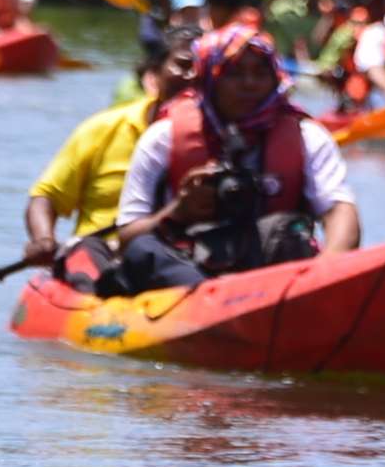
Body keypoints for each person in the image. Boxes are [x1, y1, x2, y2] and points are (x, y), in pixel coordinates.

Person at [102, 24, 360, 295]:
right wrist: (178, 211)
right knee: (144, 249)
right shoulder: (163, 137)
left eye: (260, 73)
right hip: (186, 269)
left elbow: (340, 211)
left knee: (291, 236)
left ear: (275, 79)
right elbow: (128, 236)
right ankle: (211, 297)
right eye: (234, 73)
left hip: (273, 263)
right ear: (209, 80)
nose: (249, 83)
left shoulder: (307, 137)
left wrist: (326, 272)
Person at [22, 25, 198, 274]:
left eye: (204, 68)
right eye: (183, 65)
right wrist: (43, 240)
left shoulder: (225, 138)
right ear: (154, 73)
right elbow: (46, 197)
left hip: (179, 257)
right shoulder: (103, 128)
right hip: (100, 256)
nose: (193, 76)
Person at [264, 0, 335, 60]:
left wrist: (327, 18)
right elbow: (265, 25)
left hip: (308, 67)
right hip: (279, 59)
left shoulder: (324, 15)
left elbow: (317, 43)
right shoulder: (285, 7)